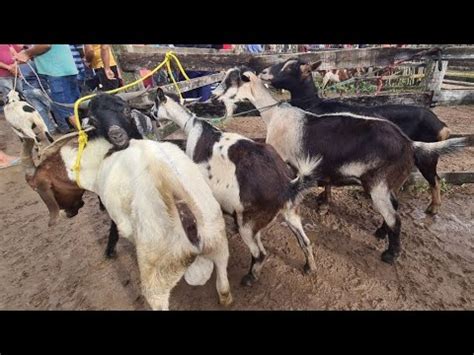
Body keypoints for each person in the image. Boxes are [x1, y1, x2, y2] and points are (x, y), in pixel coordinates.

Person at [13, 45, 80, 134]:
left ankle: (86, 137)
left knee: (67, 110)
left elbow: (45, 45)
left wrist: (26, 53)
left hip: (57, 72)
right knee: (75, 106)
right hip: (66, 69)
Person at [18, 60, 57, 133]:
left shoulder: (18, 65)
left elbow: (17, 74)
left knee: (40, 111)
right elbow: (45, 74)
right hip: (40, 88)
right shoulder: (36, 62)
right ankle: (64, 127)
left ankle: (50, 129)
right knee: (54, 107)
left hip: (26, 90)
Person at [0, 44, 24, 114]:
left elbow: (15, 55)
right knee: (9, 96)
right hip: (3, 75)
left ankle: (22, 114)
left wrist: (14, 65)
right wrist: (9, 67)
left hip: (14, 73)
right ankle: (13, 114)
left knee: (21, 93)